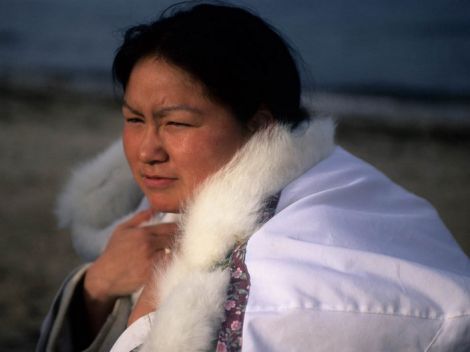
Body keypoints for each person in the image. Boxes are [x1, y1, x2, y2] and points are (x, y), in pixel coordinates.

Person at [37, 3, 470, 351]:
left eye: (177, 124)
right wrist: (96, 287)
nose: (147, 151)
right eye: (134, 119)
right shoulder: (166, 199)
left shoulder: (279, 285)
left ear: (260, 126)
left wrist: (149, 311)